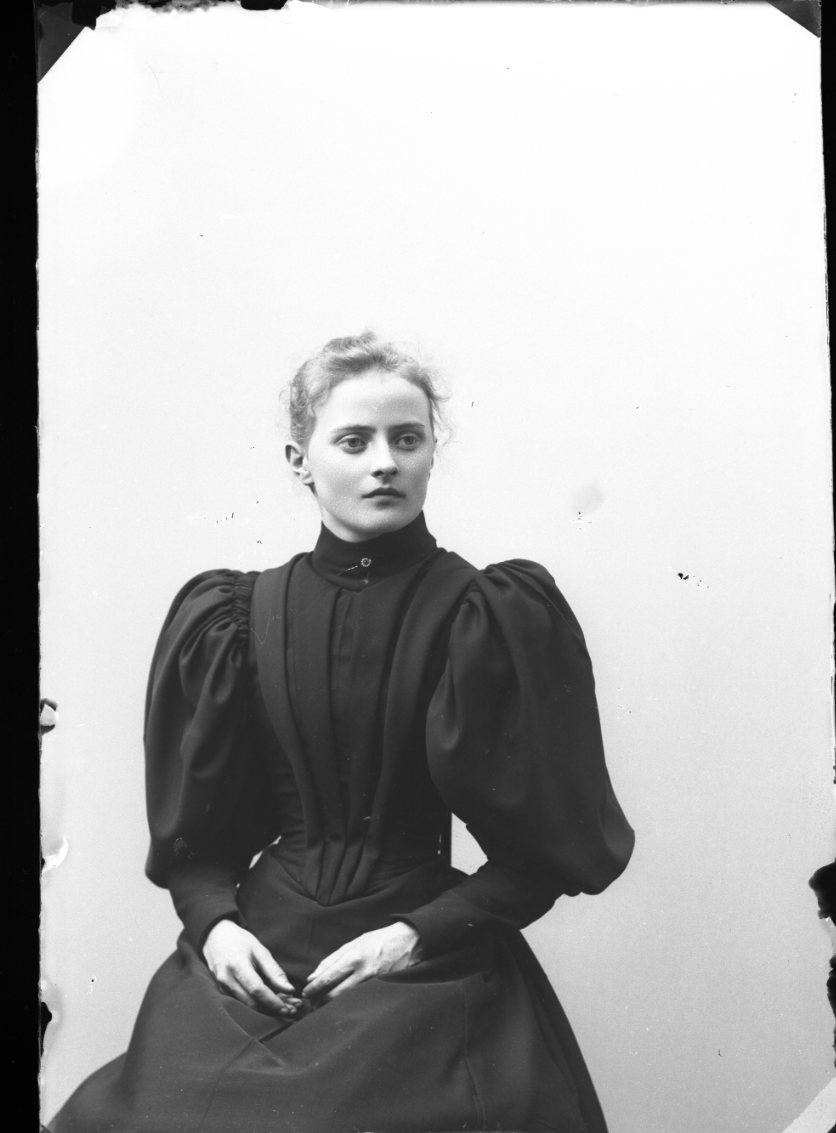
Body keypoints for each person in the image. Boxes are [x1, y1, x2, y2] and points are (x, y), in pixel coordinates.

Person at [48, 332, 635, 1133]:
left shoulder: (490, 616)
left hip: (423, 963)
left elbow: (545, 856)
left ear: (432, 452)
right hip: (252, 960)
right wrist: (215, 928)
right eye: (354, 441)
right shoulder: (234, 618)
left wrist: (412, 937)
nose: (385, 462)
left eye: (407, 438)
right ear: (301, 460)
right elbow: (197, 847)